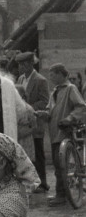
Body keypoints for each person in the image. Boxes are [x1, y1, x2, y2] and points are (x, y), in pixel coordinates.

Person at [36, 63, 86, 207]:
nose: (50, 77)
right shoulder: (55, 92)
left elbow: (81, 106)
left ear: (59, 74)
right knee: (58, 166)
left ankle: (62, 195)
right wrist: (43, 114)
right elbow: (50, 112)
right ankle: (60, 194)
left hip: (65, 132)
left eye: (52, 74)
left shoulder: (70, 89)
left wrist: (70, 119)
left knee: (61, 165)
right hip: (54, 132)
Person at [16, 51, 50, 191]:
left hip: (35, 122)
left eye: (24, 64)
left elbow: (44, 101)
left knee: (38, 153)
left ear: (31, 63)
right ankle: (31, 182)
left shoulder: (40, 80)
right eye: (20, 65)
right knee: (27, 155)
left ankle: (42, 182)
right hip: (24, 123)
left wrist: (28, 107)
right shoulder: (20, 79)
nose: (22, 67)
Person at [15, 84, 37, 162]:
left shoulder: (28, 108)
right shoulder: (11, 107)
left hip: (25, 140)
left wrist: (23, 133)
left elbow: (34, 126)